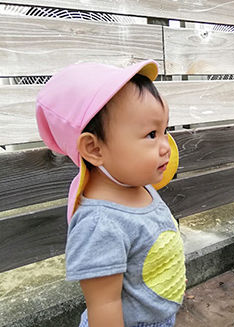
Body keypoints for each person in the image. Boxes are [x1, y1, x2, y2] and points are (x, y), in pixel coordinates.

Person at [35, 60, 185, 327]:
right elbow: (104, 306)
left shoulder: (137, 182)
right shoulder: (100, 224)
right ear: (94, 149)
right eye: (151, 134)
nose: (166, 146)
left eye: (165, 130)